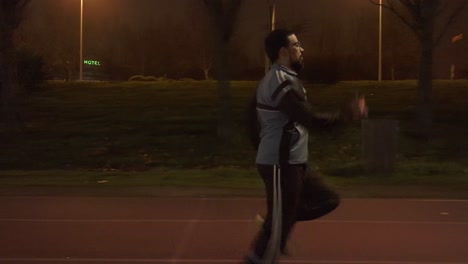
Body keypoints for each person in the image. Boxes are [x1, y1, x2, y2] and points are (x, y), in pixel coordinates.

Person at [243, 28, 367, 264]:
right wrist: (348, 114)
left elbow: (250, 117)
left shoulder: (282, 78)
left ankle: (279, 219)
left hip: (293, 162)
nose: (301, 49)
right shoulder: (280, 83)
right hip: (281, 164)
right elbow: (310, 119)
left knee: (328, 199)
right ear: (283, 52)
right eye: (296, 45)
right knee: (274, 239)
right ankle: (275, 226)